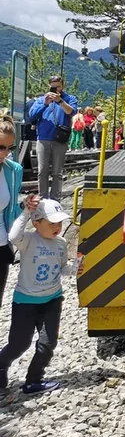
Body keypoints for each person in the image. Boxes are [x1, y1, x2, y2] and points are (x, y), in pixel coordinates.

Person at [0, 196, 80, 394]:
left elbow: (63, 269)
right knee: (20, 344)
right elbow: (12, 237)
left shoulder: (60, 243)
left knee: (48, 342)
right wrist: (26, 212)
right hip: (26, 302)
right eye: (52, 223)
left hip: (52, 299)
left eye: (60, 222)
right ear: (36, 223)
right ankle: (1, 365)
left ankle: (34, 380)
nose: (58, 227)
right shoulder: (28, 240)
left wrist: (77, 267)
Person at [26, 76, 77, 201]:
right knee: (42, 171)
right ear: (49, 86)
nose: (56, 89)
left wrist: (60, 101)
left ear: (63, 86)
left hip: (60, 139)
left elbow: (72, 112)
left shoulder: (70, 98)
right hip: (43, 138)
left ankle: (55, 199)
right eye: (53, 86)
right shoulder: (41, 100)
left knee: (57, 172)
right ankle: (42, 198)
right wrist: (45, 103)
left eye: (58, 86)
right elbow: (32, 115)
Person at [0, 117, 32, 314]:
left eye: (8, 148)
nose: (4, 153)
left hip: (1, 245)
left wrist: (25, 206)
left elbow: (10, 209)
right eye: (0, 147)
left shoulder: (13, 171)